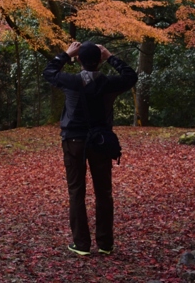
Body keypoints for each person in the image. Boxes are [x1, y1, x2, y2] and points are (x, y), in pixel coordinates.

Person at [44, 41, 137, 256]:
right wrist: (111, 56)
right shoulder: (110, 83)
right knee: (103, 192)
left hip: (74, 141)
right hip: (100, 142)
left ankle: (81, 243)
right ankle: (105, 243)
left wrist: (66, 54)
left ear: (79, 60)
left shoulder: (70, 81)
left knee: (76, 191)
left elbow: (49, 72)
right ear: (100, 61)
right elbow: (131, 76)